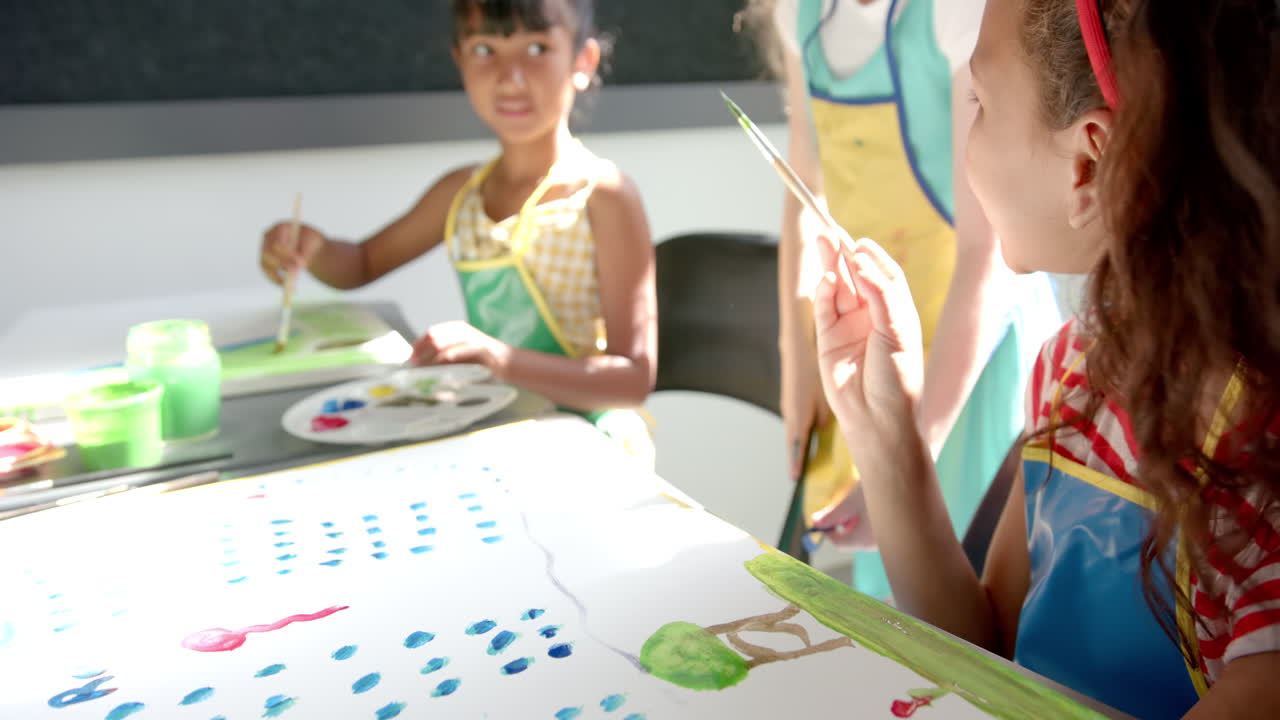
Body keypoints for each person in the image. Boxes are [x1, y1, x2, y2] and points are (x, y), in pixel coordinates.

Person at [812, 0, 1280, 716]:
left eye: (980, 101)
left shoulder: (1259, 462)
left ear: (1088, 163)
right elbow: (990, 650)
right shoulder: (1073, 368)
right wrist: (886, 432)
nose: (965, 137)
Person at [259, 0, 656, 460]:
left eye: (537, 47)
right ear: (459, 60)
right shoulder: (460, 193)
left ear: (582, 62)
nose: (511, 76)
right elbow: (361, 264)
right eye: (486, 49)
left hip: (592, 448)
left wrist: (499, 359)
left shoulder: (603, 195)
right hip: (502, 427)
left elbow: (632, 380)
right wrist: (312, 249)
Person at [754, 0, 1060, 598]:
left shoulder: (956, 13)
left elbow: (985, 255)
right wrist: (798, 364)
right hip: (876, 349)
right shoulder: (802, 14)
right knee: (888, 601)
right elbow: (802, 190)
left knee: (969, 615)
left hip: (971, 352)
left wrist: (909, 452)